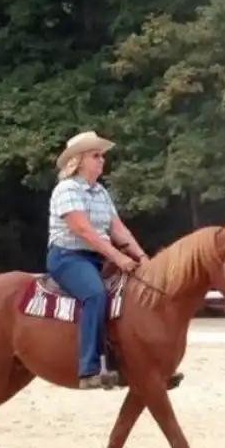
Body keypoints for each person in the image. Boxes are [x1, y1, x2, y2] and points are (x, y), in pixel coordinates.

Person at [46, 131, 183, 391]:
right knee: (95, 294)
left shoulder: (100, 193)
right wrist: (119, 257)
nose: (102, 161)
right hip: (68, 257)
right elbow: (83, 230)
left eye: (101, 156)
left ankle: (141, 364)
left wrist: (143, 259)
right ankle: (89, 369)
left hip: (97, 258)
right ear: (78, 160)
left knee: (135, 295)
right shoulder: (67, 190)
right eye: (96, 156)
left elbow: (119, 230)